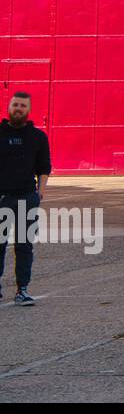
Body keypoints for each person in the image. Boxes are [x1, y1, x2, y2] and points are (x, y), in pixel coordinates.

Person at [0, 91, 51, 305]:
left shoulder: (38, 137)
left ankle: (22, 290)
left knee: (24, 244)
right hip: (1, 198)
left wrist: (41, 190)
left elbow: (44, 166)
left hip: (27, 198)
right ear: (9, 107)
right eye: (15, 105)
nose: (18, 108)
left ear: (28, 110)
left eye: (22, 105)